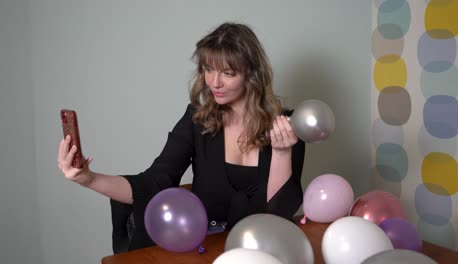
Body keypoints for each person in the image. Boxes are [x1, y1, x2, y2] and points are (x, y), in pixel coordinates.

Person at [58, 22, 305, 251]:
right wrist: (88, 178)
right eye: (208, 69)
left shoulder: (287, 127)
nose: (214, 82)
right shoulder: (197, 120)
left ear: (252, 74)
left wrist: (282, 152)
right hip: (202, 252)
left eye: (228, 73)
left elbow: (277, 216)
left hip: (259, 253)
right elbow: (154, 184)